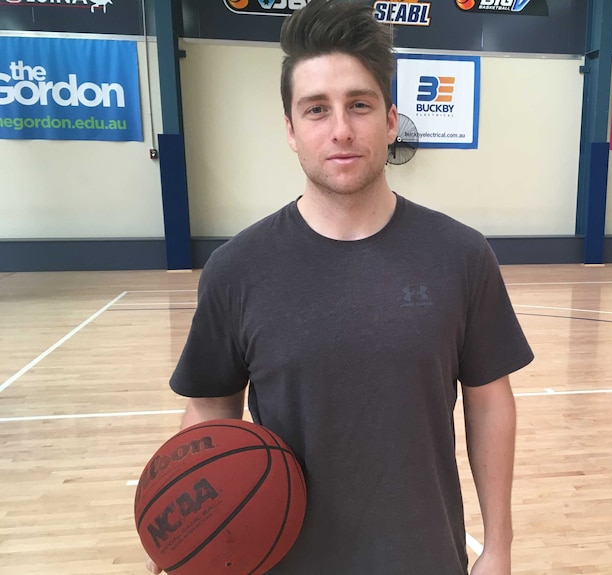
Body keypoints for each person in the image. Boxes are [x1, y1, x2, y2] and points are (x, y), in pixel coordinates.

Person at [145, 0, 533, 573]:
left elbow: (489, 401)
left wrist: (498, 545)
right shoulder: (237, 268)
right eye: (316, 110)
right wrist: (188, 537)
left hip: (425, 557)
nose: (341, 130)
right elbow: (210, 408)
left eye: (359, 104)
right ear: (291, 130)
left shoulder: (461, 255)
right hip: (285, 559)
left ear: (392, 119)